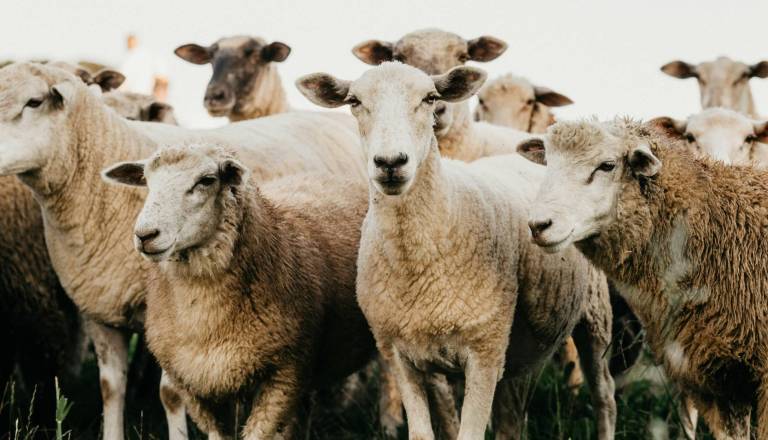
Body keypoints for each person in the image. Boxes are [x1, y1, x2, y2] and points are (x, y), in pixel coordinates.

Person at [119, 33, 169, 100]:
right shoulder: (127, 58)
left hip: (141, 96)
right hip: (132, 97)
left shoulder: (146, 55)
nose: (129, 44)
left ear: (135, 42)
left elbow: (162, 78)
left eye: (131, 41)